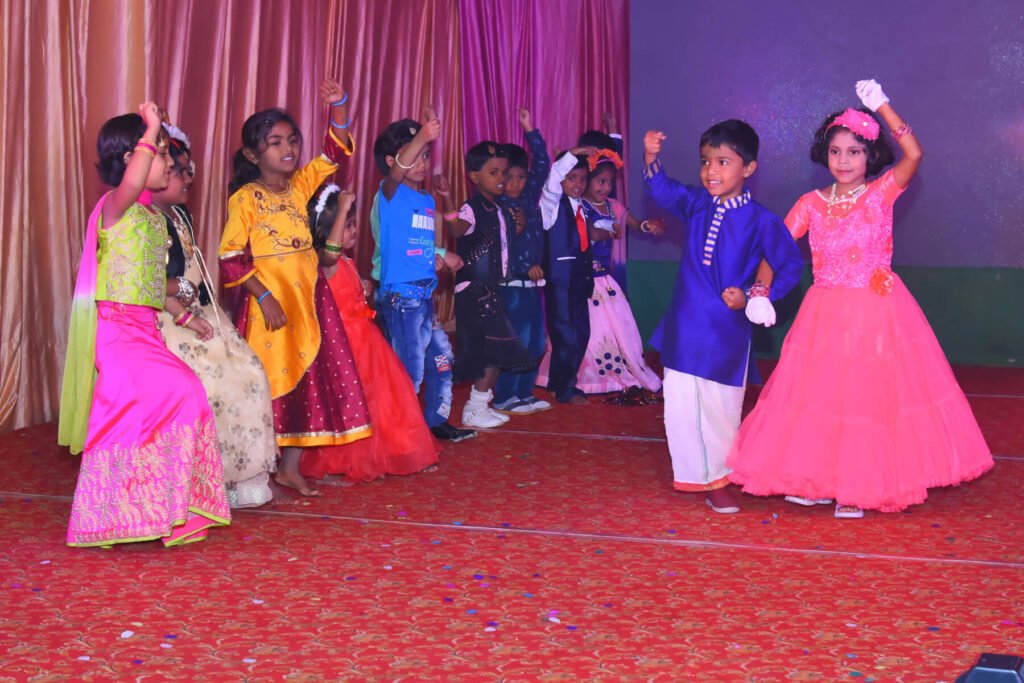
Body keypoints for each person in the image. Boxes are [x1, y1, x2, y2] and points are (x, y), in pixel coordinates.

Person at [727, 80, 993, 518]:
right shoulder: (810, 203)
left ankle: (859, 485)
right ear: (824, 154)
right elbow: (775, 249)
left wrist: (883, 107)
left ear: (870, 155)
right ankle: (815, 479)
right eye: (835, 151)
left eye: (854, 151)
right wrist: (760, 291)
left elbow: (915, 155)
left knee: (866, 399)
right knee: (820, 397)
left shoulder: (881, 192)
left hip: (876, 311)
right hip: (824, 312)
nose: (844, 160)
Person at [59, 102, 230, 547]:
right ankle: (104, 517)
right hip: (117, 333)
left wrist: (184, 315)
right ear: (131, 158)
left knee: (164, 407)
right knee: (174, 396)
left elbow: (151, 284)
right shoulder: (116, 207)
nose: (170, 163)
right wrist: (152, 126)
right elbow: (133, 182)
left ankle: (162, 511)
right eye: (162, 153)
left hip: (146, 330)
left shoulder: (154, 220)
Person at [219, 79, 371, 497]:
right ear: (253, 154)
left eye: (292, 140)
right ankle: (252, 468)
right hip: (269, 305)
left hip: (308, 301)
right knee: (268, 383)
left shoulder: (301, 185)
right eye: (275, 143)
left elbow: (335, 152)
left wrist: (339, 106)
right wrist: (265, 297)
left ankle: (290, 468)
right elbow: (230, 256)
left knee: (310, 381)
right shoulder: (246, 198)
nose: (288, 149)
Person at [642, 119, 803, 513]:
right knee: (681, 407)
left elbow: (790, 265)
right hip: (685, 325)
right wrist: (650, 156)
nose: (711, 171)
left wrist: (752, 295)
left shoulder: (762, 220)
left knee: (721, 409)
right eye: (705, 161)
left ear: (748, 168)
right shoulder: (697, 204)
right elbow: (662, 190)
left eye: (723, 162)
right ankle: (705, 479)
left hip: (726, 332)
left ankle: (722, 475)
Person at [154, 123, 276, 508]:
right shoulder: (144, 219)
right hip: (166, 321)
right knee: (210, 383)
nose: (189, 178)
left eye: (189, 170)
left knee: (250, 371)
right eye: (179, 171)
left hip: (201, 312)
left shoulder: (181, 214)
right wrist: (183, 307)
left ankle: (240, 477)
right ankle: (204, 481)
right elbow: (148, 282)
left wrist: (203, 306)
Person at [299, 186, 441, 481]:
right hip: (344, 344)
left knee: (383, 399)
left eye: (353, 224)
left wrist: (362, 287)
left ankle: (390, 452)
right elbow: (330, 261)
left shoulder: (346, 261)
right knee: (351, 401)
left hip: (366, 341)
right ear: (326, 231)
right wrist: (343, 207)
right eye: (347, 225)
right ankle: (347, 461)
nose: (353, 230)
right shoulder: (324, 261)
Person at [370, 110, 476, 442]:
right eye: (415, 154)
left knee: (442, 360)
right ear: (393, 161)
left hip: (424, 295)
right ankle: (400, 434)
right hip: (400, 296)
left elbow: (416, 244)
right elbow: (398, 174)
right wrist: (423, 136)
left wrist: (440, 256)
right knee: (409, 369)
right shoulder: (389, 192)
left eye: (426, 155)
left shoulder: (425, 199)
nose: (422, 162)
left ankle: (435, 422)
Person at [447, 141, 534, 427]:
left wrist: (517, 227)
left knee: (500, 349)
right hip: (474, 289)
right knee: (492, 350)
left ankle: (480, 404)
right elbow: (456, 229)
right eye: (494, 173)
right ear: (475, 176)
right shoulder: (471, 208)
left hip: (491, 288)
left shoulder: (498, 209)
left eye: (504, 173)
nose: (502, 179)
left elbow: (502, 245)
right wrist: (447, 201)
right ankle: (474, 409)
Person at [577, 148, 664, 396]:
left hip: (605, 279)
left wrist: (648, 225)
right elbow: (590, 234)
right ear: (587, 179)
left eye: (609, 183)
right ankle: (591, 376)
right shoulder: (579, 206)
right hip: (584, 280)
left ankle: (618, 372)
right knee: (593, 331)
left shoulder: (612, 206)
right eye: (600, 181)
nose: (605, 187)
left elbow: (634, 223)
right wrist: (608, 233)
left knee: (619, 328)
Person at [491, 108, 552, 415]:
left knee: (537, 342)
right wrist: (524, 267)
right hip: (511, 286)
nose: (515, 183)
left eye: (520, 177)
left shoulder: (528, 199)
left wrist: (530, 130)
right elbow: (500, 249)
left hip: (532, 286)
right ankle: (505, 396)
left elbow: (542, 165)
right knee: (518, 341)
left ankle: (524, 393)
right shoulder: (496, 208)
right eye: (509, 177)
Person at [539, 146, 599, 405]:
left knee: (581, 334)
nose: (578, 184)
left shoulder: (581, 207)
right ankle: (566, 389)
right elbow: (553, 180)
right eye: (571, 178)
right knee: (565, 336)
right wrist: (573, 153)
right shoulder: (551, 205)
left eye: (583, 179)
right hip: (560, 281)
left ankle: (557, 382)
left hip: (580, 280)